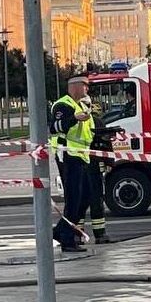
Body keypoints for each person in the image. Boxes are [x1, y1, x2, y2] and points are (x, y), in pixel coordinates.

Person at [49, 75, 94, 253]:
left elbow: (86, 132)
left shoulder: (81, 105)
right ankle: (67, 240)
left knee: (86, 197)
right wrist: (75, 118)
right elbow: (55, 127)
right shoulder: (63, 105)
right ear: (75, 86)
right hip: (67, 156)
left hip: (82, 157)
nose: (87, 90)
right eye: (85, 86)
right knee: (73, 200)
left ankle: (61, 231)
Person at [80, 95, 111, 244]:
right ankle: (98, 234)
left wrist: (109, 161)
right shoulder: (95, 122)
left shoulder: (92, 122)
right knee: (92, 200)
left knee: (84, 200)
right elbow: (106, 145)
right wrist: (110, 162)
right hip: (88, 166)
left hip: (82, 165)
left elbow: (105, 144)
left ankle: (80, 234)